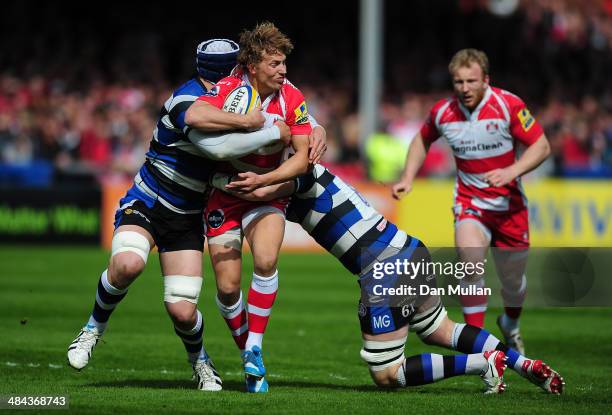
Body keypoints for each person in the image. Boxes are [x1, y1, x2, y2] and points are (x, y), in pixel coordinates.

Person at [207, 163, 564, 394]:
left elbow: (257, 190)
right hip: (409, 248)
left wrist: (217, 178)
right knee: (440, 329)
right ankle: (522, 363)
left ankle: (482, 364)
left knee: (387, 374)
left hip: (384, 268)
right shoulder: (314, 170)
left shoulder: (297, 177)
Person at [66, 39, 299, 392]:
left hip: (188, 214)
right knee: (128, 264)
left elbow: (301, 116)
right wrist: (263, 128)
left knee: (183, 311)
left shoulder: (240, 93)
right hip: (149, 199)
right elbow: (216, 146)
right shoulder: (188, 100)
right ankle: (92, 329)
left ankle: (200, 361)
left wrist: (312, 129)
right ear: (223, 72)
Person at [185, 22, 317, 393]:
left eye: (284, 63)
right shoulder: (230, 89)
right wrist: (247, 122)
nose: (283, 70)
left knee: (265, 260)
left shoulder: (292, 97)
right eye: (275, 64)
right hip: (225, 195)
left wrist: (265, 182)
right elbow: (194, 116)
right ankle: (248, 354)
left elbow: (302, 156)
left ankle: (255, 347)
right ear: (253, 65)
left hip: (267, 193)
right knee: (227, 289)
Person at [392, 49, 551, 354]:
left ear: (486, 80)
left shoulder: (508, 105)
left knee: (513, 283)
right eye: (458, 81)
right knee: (469, 264)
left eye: (471, 81)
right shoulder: (443, 112)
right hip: (470, 203)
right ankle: (481, 351)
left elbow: (541, 146)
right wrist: (408, 177)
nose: (464, 88)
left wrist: (512, 171)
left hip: (510, 207)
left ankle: (511, 325)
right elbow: (421, 139)